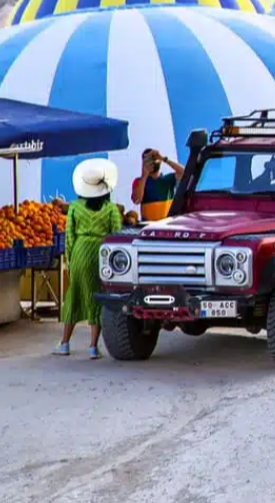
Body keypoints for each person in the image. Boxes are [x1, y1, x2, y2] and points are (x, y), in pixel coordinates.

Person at [60, 158, 123, 359]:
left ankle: (64, 344)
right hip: (100, 254)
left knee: (74, 296)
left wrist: (69, 260)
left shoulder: (75, 207)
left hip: (79, 251)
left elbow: (69, 236)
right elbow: (117, 235)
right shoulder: (111, 209)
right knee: (95, 297)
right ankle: (93, 347)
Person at [131, 149, 183, 223]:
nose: (152, 162)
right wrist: (144, 175)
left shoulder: (168, 179)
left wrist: (163, 158)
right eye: (148, 160)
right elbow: (136, 200)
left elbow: (184, 173)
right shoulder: (140, 181)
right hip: (149, 227)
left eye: (154, 158)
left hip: (168, 224)